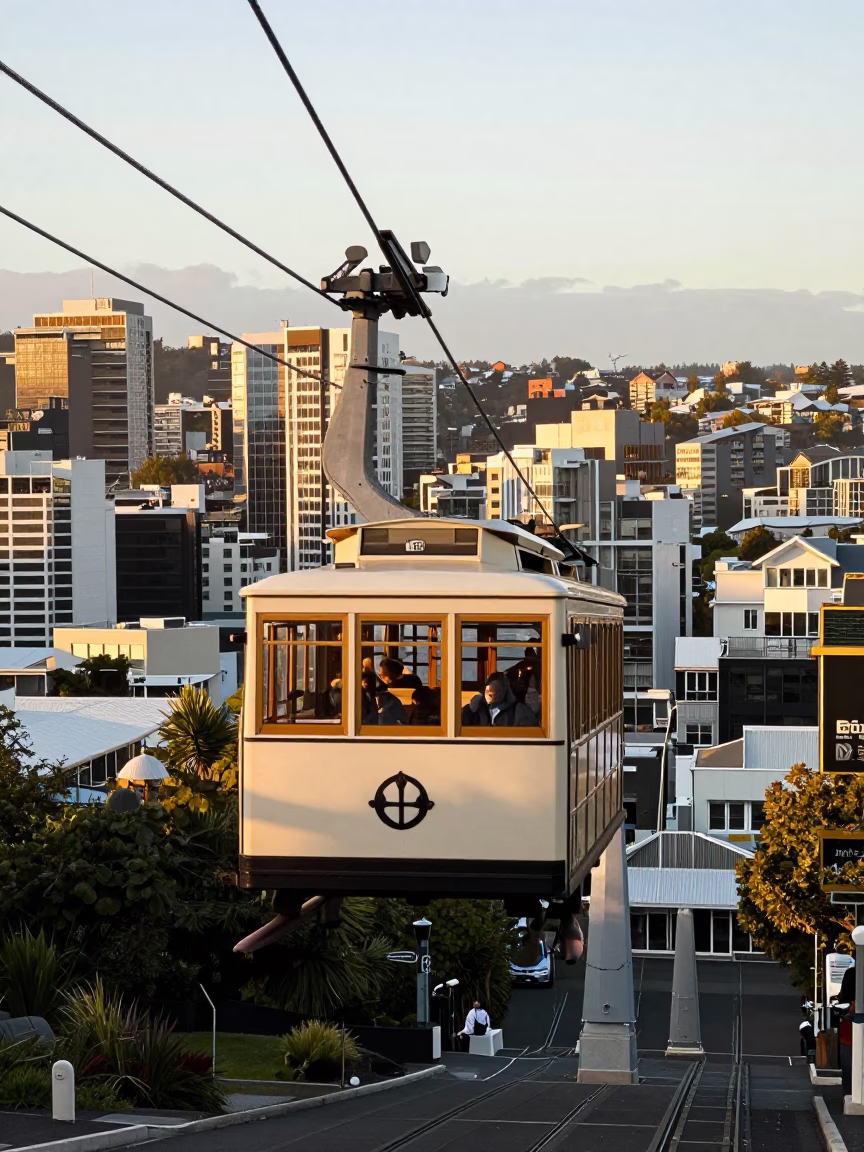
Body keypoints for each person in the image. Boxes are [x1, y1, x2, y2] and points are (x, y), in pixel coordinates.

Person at [461, 671, 537, 727]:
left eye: (498, 691)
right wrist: (469, 711)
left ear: (505, 691)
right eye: (488, 692)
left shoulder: (519, 711)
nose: (492, 695)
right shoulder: (476, 708)